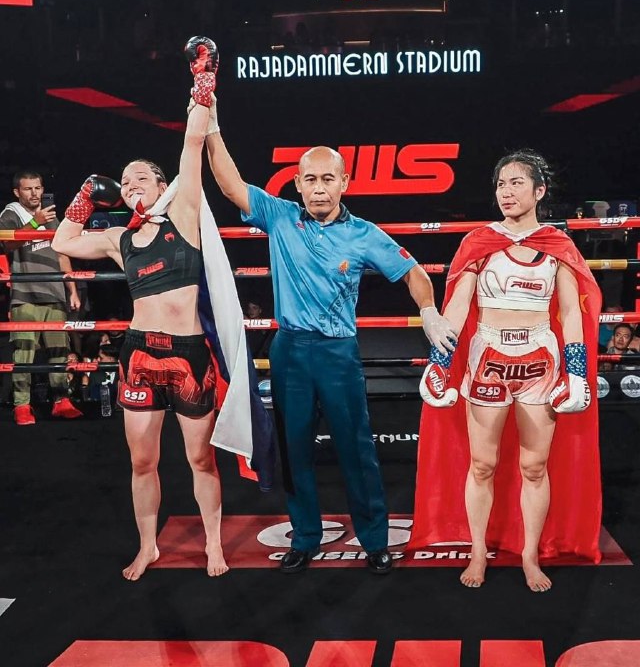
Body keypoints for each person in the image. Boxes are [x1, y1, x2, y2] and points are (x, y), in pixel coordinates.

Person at [204, 95, 456, 575]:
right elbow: (230, 184)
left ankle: (375, 540)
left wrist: (429, 311)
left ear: (344, 182)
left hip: (338, 352)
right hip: (290, 351)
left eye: (327, 179)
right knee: (294, 448)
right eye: (310, 179)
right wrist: (211, 124)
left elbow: (413, 272)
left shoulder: (363, 233)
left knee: (356, 448)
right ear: (298, 183)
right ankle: (304, 537)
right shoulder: (280, 216)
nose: (319, 188)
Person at [52, 47, 230, 581]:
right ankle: (148, 546)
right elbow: (63, 240)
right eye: (124, 182)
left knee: (201, 459)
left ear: (160, 184)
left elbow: (193, 144)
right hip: (139, 357)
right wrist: (86, 193)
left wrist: (203, 83)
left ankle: (214, 545)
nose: (130, 185)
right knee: (141, 461)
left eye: (139, 179)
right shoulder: (118, 238)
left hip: (188, 354)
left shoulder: (185, 214)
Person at [410, 149, 602, 591]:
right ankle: (478, 552)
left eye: (517, 182)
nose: (506, 192)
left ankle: (530, 556)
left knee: (535, 467)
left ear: (539, 190)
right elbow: (458, 307)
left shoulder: (558, 245)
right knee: (482, 464)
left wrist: (576, 372)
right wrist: (439, 364)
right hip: (488, 359)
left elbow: (572, 312)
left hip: (540, 360)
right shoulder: (479, 242)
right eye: (501, 184)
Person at [0, 170, 82, 425]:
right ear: (17, 192)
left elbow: (62, 252)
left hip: (54, 292)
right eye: (28, 188)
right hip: (25, 294)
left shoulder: (51, 216)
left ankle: (61, 400)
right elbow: (8, 245)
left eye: (38, 188)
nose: (34, 193)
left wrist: (72, 289)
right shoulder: (10, 214)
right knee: (24, 352)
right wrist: (35, 223)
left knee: (59, 350)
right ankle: (22, 405)